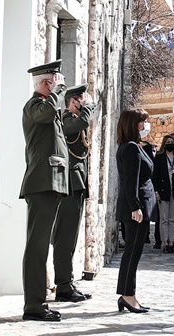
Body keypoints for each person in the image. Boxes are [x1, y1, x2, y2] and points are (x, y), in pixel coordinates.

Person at [19, 60, 69, 322]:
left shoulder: (48, 106)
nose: (60, 86)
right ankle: (33, 306)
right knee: (37, 246)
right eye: (55, 81)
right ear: (47, 83)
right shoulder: (36, 106)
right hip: (41, 184)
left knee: (41, 246)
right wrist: (57, 93)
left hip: (51, 184)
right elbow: (46, 115)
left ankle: (37, 303)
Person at [51, 84, 95, 303]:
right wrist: (86, 109)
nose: (84, 102)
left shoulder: (74, 120)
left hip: (76, 184)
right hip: (68, 184)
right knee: (64, 237)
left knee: (71, 237)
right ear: (73, 101)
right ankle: (63, 286)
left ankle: (67, 282)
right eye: (81, 99)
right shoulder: (66, 119)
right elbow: (81, 122)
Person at [114, 108, 156, 314]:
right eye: (143, 121)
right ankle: (127, 295)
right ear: (134, 124)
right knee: (132, 253)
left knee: (133, 252)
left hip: (138, 206)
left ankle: (128, 294)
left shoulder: (131, 146)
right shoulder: (130, 148)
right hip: (136, 208)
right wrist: (136, 207)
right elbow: (130, 181)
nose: (146, 125)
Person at [152, 132, 174, 253]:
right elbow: (154, 176)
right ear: (164, 144)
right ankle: (164, 242)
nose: (170, 144)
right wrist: (156, 191)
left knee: (173, 218)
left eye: (172, 143)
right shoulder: (159, 157)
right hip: (163, 192)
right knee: (164, 218)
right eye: (168, 143)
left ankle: (171, 242)